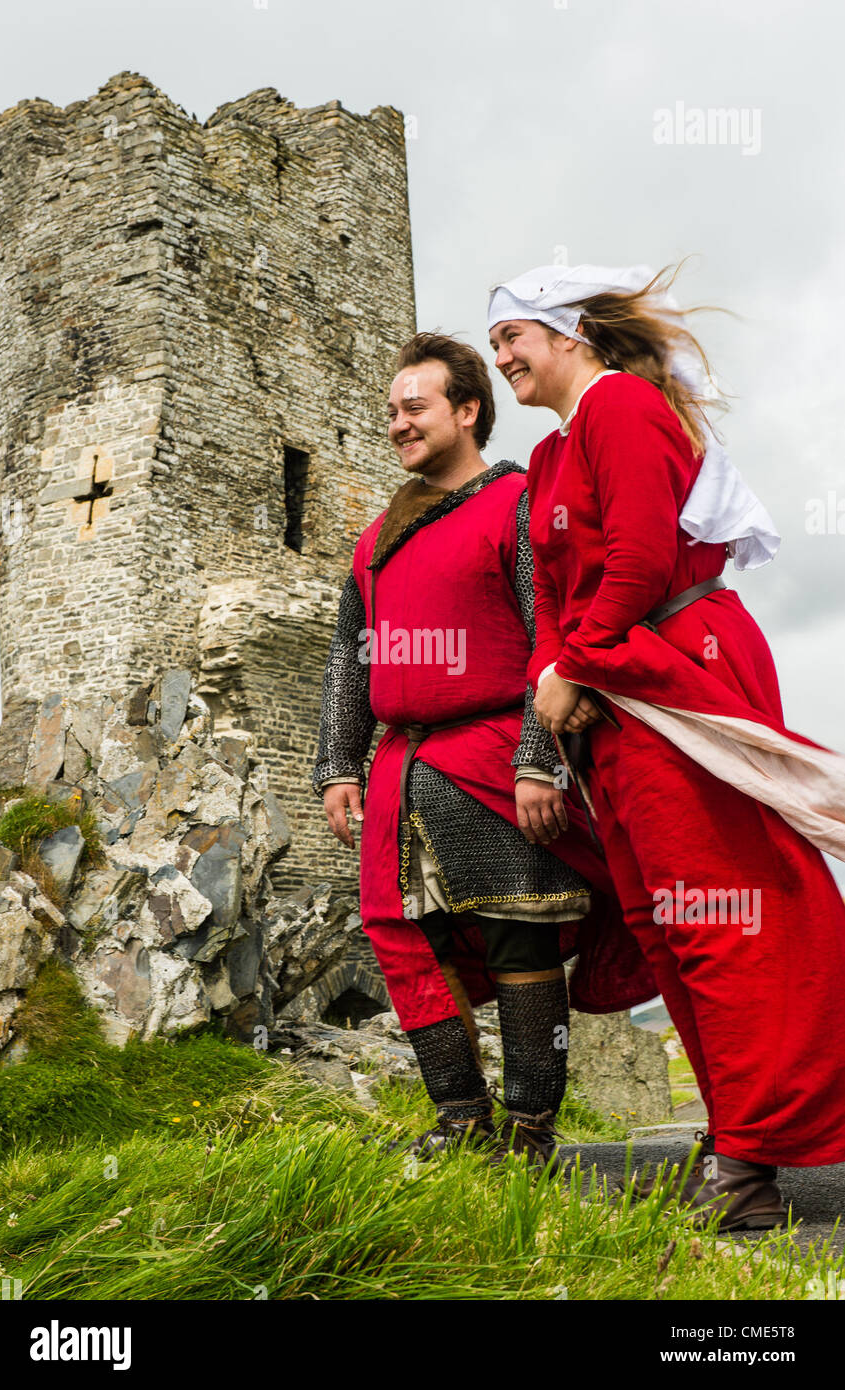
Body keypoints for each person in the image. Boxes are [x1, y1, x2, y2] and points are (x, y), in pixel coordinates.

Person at [488, 262, 845, 1228]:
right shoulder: (554, 455)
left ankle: (750, 1156)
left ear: (568, 334)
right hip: (616, 699)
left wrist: (579, 662)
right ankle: (741, 1135)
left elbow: (642, 558)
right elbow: (560, 602)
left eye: (512, 337)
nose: (501, 357)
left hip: (672, 667)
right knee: (663, 925)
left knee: (720, 911)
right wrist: (558, 686)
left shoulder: (621, 406)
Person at [313, 331, 656, 1166]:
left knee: (520, 935)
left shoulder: (516, 504)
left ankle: (531, 1132)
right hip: (400, 770)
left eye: (415, 407)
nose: (397, 423)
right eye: (390, 410)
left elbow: (554, 634)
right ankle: (462, 1120)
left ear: (467, 411)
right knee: (403, 938)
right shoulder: (373, 541)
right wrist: (335, 766)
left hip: (497, 750)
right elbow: (347, 664)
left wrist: (538, 755)